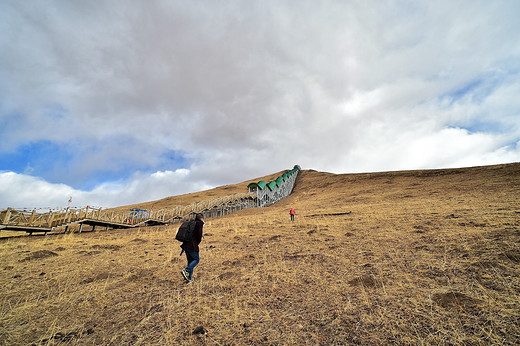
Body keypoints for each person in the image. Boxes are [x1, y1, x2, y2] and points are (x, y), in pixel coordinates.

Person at [181, 213, 204, 284]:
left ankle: (189, 278)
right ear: (201, 218)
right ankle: (187, 271)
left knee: (190, 262)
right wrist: (198, 242)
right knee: (196, 260)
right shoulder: (199, 223)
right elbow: (199, 235)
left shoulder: (191, 223)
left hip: (186, 244)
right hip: (192, 245)